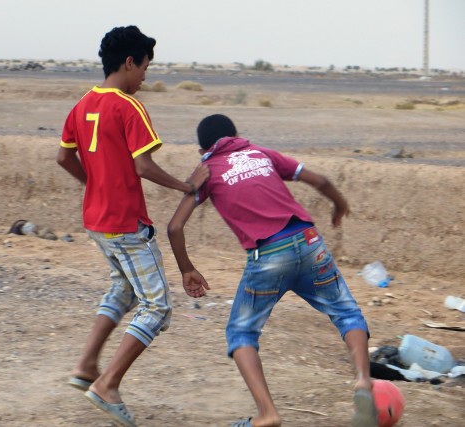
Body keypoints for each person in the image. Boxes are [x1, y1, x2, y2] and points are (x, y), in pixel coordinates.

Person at [167, 114, 377, 427]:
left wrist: (187, 269)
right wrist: (339, 204)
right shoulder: (262, 153)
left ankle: (268, 414)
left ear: (202, 150)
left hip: (267, 255)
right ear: (237, 135)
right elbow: (321, 181)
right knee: (347, 314)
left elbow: (174, 226)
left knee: (241, 333)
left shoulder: (206, 170)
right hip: (309, 241)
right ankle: (363, 381)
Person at [57, 26, 209, 427]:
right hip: (124, 223)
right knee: (157, 307)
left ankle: (87, 364)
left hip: (95, 220)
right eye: (144, 67)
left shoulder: (82, 104)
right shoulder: (128, 107)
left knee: (122, 288)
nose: (145, 76)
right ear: (129, 62)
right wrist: (185, 185)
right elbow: (143, 165)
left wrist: (95, 184)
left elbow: (63, 158)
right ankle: (107, 384)